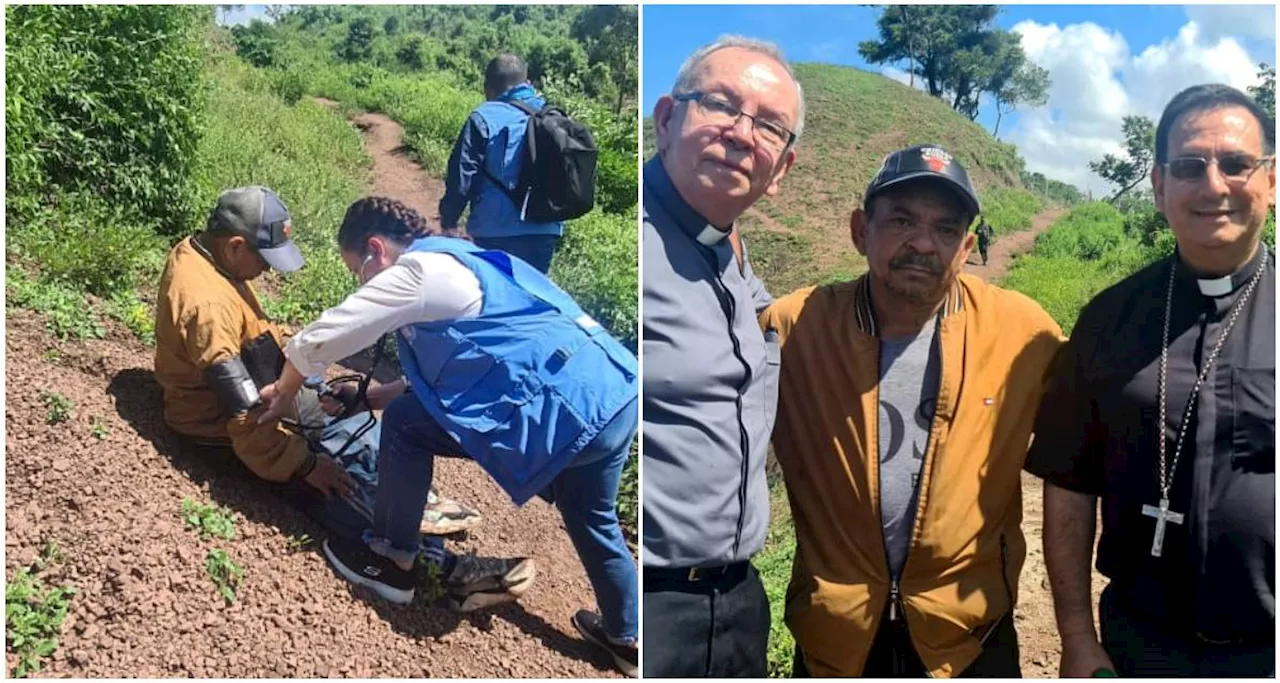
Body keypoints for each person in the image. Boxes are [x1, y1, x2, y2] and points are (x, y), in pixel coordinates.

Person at [255, 196, 639, 677]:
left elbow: (329, 333)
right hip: (614, 393)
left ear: (375, 249)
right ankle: (628, 638)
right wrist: (371, 397)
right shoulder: (465, 261)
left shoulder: (416, 272)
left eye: (359, 271)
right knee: (593, 516)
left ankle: (391, 563)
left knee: (406, 426)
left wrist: (286, 386)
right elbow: (470, 362)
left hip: (565, 412)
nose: (363, 283)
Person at [761, 144, 1065, 677]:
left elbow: (1094, 430)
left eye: (946, 230)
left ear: (967, 246)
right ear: (861, 230)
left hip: (969, 638)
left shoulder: (1023, 332)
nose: (923, 243)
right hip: (838, 637)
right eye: (901, 220)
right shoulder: (794, 328)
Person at [153, 186, 519, 610]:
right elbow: (245, 419)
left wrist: (306, 378)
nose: (267, 273)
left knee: (349, 429)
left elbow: (253, 337)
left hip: (263, 402)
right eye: (264, 261)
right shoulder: (209, 308)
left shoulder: (205, 256)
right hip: (219, 429)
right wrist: (305, 465)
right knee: (335, 491)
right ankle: (446, 571)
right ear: (236, 246)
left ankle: (409, 505)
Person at [1027, 84, 1275, 677]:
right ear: (1159, 187)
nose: (1214, 185)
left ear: (1271, 179)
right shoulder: (1108, 319)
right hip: (1137, 643)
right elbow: (1068, 487)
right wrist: (1077, 640)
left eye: (1236, 164)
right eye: (1189, 167)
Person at [641, 35, 801, 677]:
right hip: (656, 601)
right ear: (666, 117)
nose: (741, 133)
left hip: (736, 600)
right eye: (719, 104)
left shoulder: (730, 251)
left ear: (782, 168)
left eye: (768, 125)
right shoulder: (639, 241)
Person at [438, 54, 562, 274]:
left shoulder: (483, 117)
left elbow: (461, 177)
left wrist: (449, 220)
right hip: (545, 232)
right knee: (531, 299)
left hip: (493, 231)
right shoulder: (554, 117)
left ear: (487, 88)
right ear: (528, 84)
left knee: (495, 300)